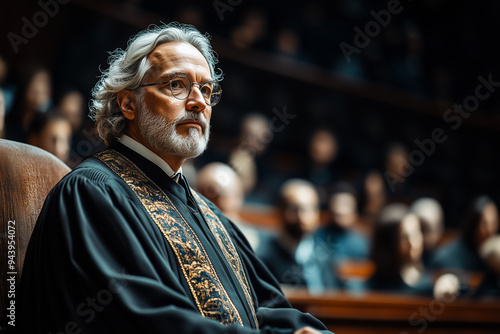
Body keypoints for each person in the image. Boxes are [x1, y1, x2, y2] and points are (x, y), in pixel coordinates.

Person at [18, 23, 330, 334]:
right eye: (176, 85)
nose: (198, 102)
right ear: (128, 103)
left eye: (206, 90)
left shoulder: (211, 214)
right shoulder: (91, 192)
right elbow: (144, 321)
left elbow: (267, 308)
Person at [257, 179, 332, 290]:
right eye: (294, 209)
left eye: (310, 208)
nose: (303, 216)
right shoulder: (265, 258)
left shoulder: (324, 255)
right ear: (281, 211)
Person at [366, 212, 460, 298]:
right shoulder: (372, 288)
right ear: (387, 245)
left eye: (415, 234)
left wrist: (448, 280)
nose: (413, 243)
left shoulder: (428, 282)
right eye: (404, 238)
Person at [195, 161, 267, 251]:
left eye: (226, 196)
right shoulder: (196, 237)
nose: (221, 202)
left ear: (238, 197)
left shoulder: (251, 239)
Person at [429, 195, 499, 272]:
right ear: (473, 224)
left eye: (494, 223)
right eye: (485, 224)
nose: (490, 230)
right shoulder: (445, 261)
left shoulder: (492, 257)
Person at [410, 197, 444, 266]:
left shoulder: (445, 262)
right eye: (419, 229)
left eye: (428, 230)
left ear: (439, 230)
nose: (422, 237)